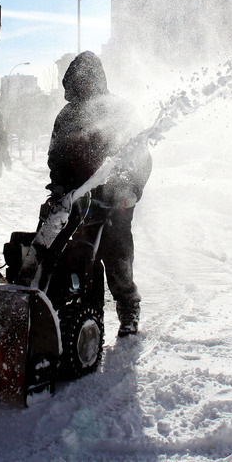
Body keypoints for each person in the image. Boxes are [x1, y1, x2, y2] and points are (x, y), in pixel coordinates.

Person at [46, 51, 152, 336]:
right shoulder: (67, 115)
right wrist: (58, 185)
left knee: (116, 254)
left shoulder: (121, 110)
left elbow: (141, 155)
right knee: (69, 254)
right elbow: (56, 156)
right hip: (76, 200)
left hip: (115, 198)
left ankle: (128, 309)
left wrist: (131, 189)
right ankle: (74, 312)